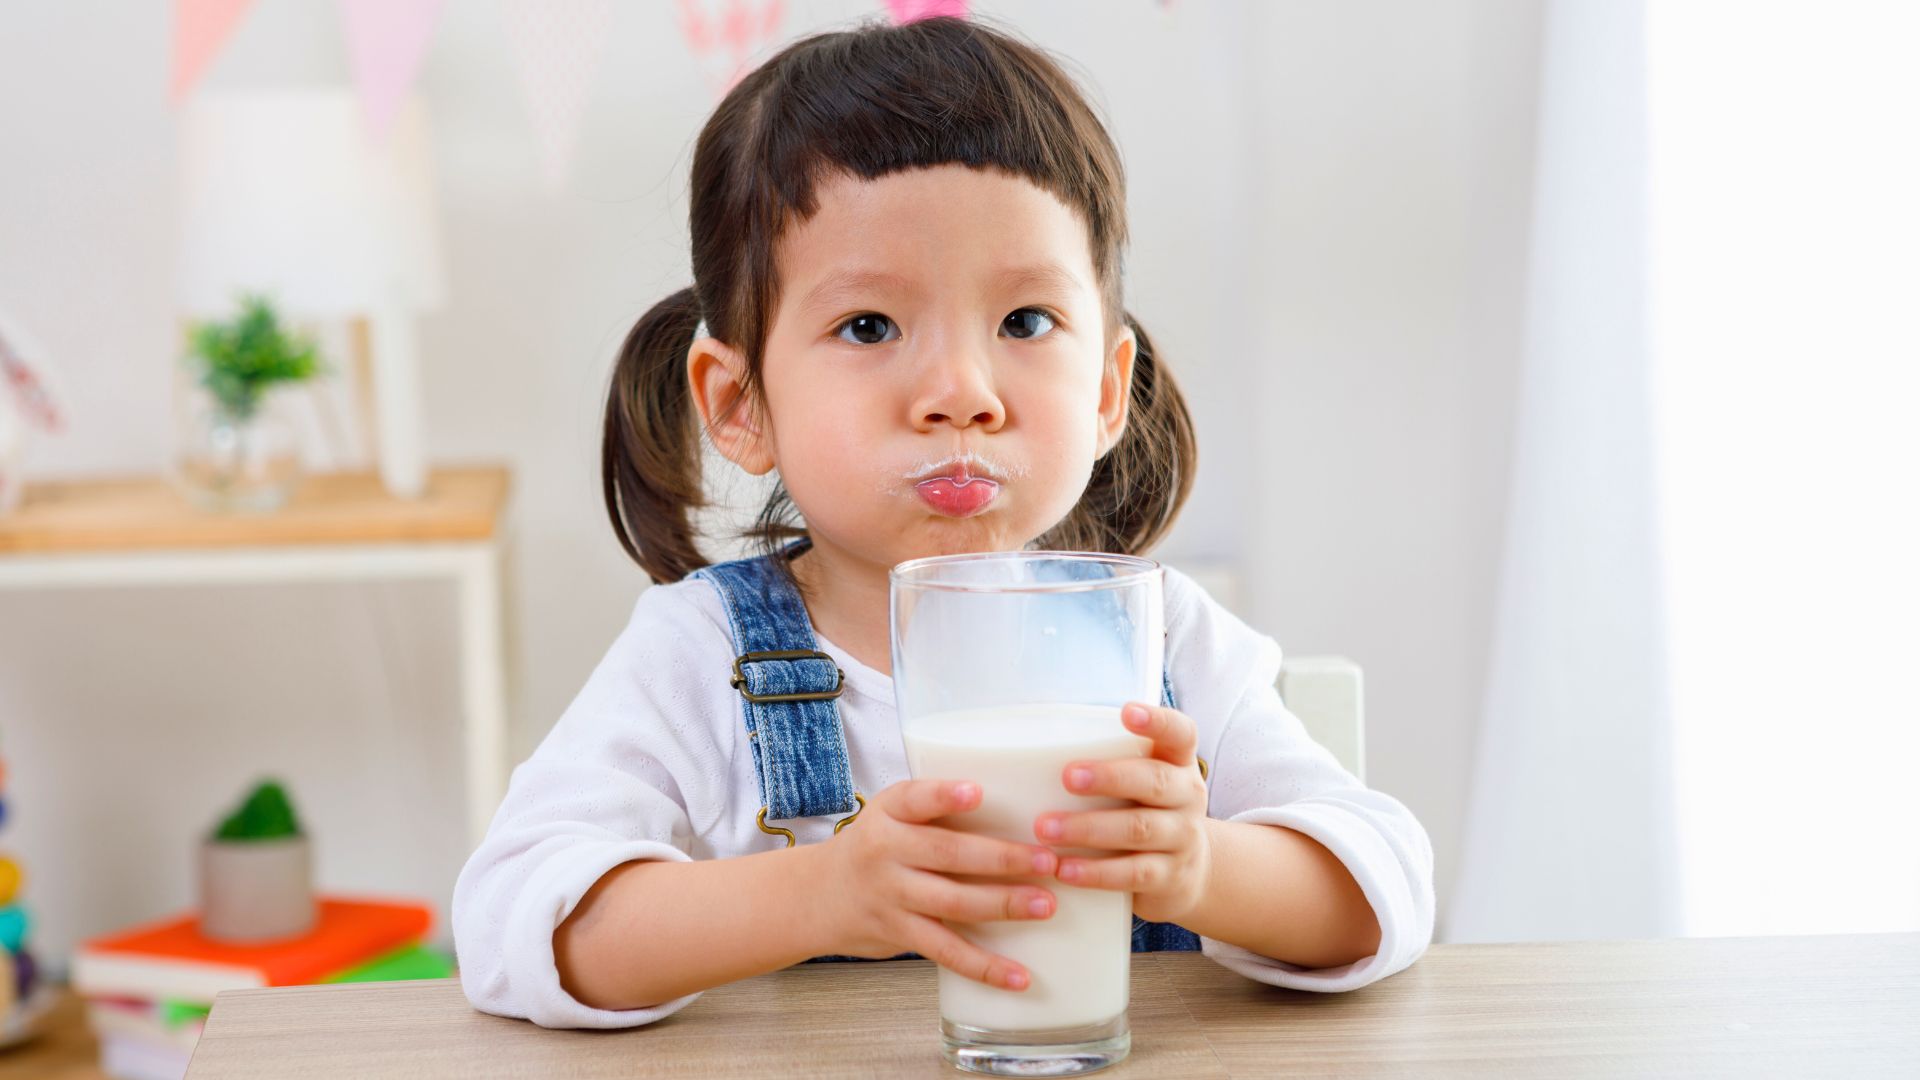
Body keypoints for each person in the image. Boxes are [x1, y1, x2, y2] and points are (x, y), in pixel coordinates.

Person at [453, 14, 1434, 1029]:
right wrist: (820, 894)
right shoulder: (697, 657)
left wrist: (1202, 867)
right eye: (868, 326)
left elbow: (1386, 891)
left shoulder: (1164, 641)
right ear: (740, 406)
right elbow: (512, 925)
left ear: (1106, 392)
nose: (961, 392)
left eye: (1024, 322)